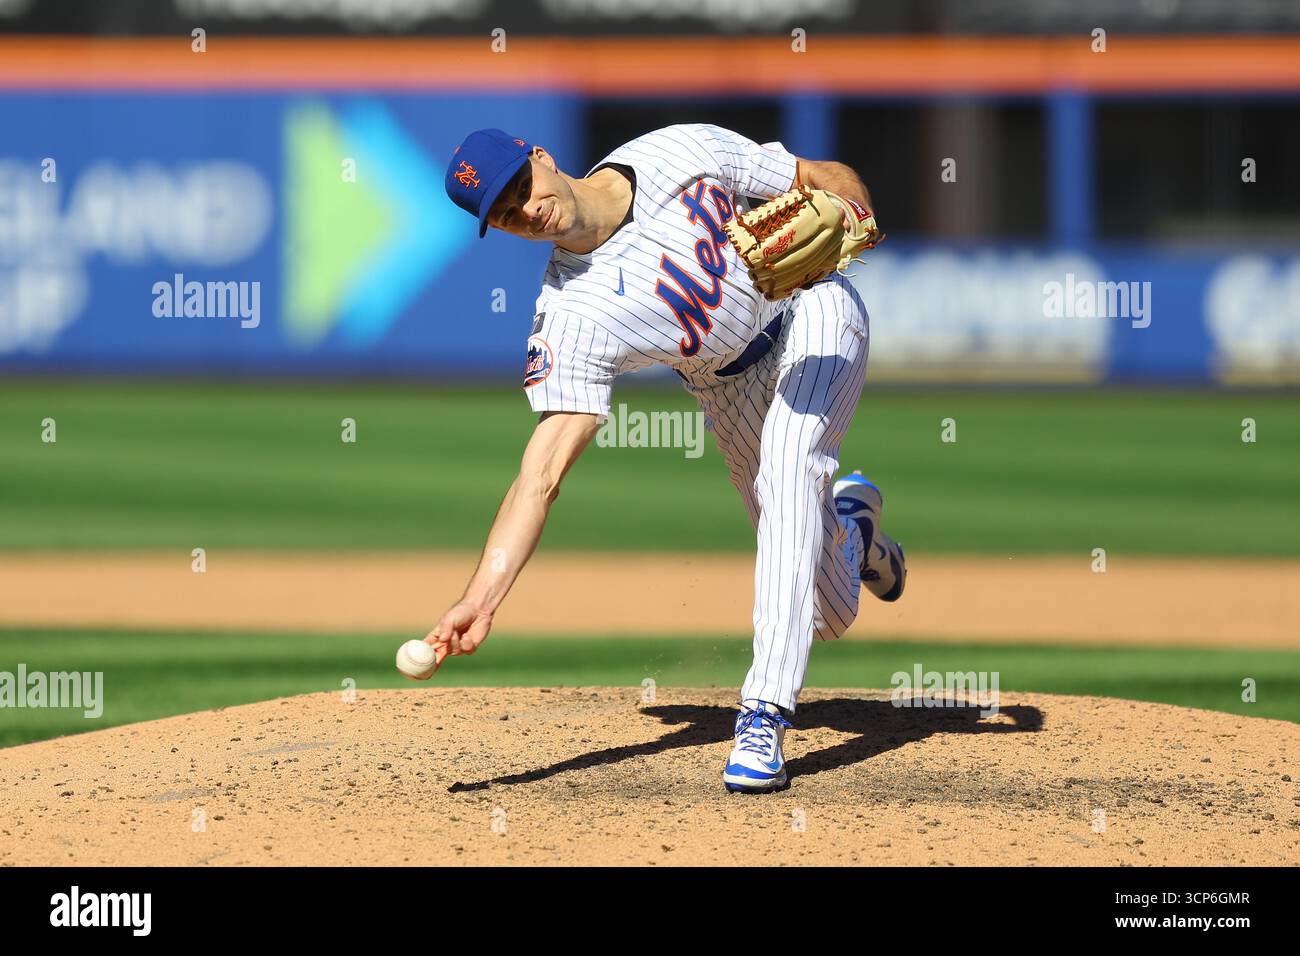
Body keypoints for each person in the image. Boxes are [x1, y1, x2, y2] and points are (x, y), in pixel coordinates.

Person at [434, 124, 906, 792]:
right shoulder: (570, 317)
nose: (525, 210)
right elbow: (539, 475)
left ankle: (763, 715)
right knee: (829, 612)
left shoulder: (680, 151)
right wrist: (481, 597)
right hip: (728, 389)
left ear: (542, 157)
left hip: (812, 311)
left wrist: (859, 211)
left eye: (520, 186)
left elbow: (822, 175)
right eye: (505, 215)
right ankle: (855, 528)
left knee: (791, 462)